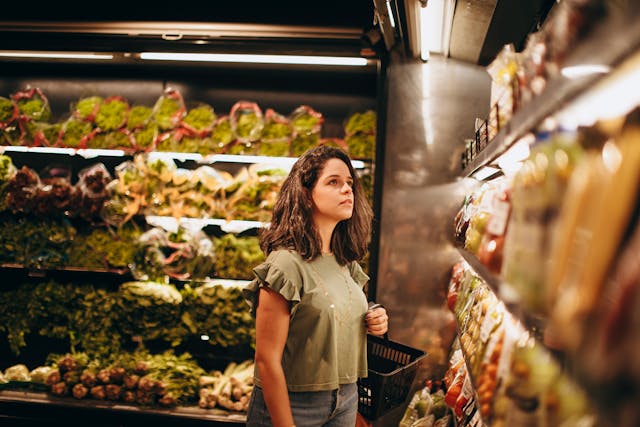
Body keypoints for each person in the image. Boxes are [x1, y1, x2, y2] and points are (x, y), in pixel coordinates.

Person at [242, 144, 389, 427]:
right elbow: (267, 360)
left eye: (349, 183)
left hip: (346, 398)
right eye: (334, 182)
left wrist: (374, 316)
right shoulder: (285, 265)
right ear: (306, 195)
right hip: (293, 404)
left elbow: (333, 308)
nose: (347, 190)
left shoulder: (346, 262)